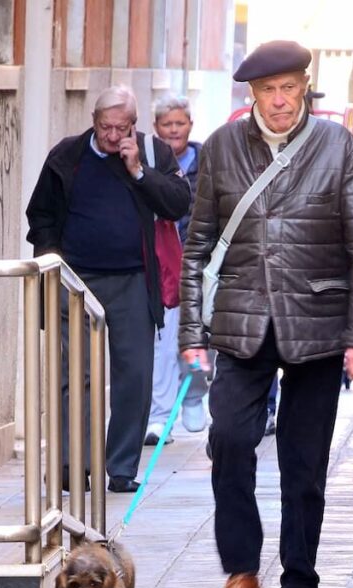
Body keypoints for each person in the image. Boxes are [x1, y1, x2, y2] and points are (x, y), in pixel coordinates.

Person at [178, 39, 353, 588]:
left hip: (317, 324)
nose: (278, 102)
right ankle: (241, 571)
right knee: (230, 440)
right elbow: (198, 247)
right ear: (251, 95)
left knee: (304, 464)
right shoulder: (221, 148)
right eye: (267, 92)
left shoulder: (339, 147)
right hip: (242, 323)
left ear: (305, 88)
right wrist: (193, 331)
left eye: (288, 89)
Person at [26, 85, 190, 492]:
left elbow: (177, 203)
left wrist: (138, 172)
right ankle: (71, 465)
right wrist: (52, 262)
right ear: (94, 122)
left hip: (134, 280)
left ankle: (120, 469)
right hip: (76, 279)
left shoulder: (154, 155)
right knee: (73, 374)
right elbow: (40, 214)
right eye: (105, 127)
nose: (113, 136)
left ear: (134, 125)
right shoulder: (68, 155)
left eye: (121, 128)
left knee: (134, 374)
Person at [145, 95, 209, 446]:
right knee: (164, 340)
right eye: (167, 124)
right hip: (163, 265)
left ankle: (195, 395)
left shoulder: (208, 162)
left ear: (190, 125)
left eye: (179, 123)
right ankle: (159, 416)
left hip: (201, 264)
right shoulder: (147, 160)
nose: (174, 130)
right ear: (156, 129)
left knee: (201, 337)